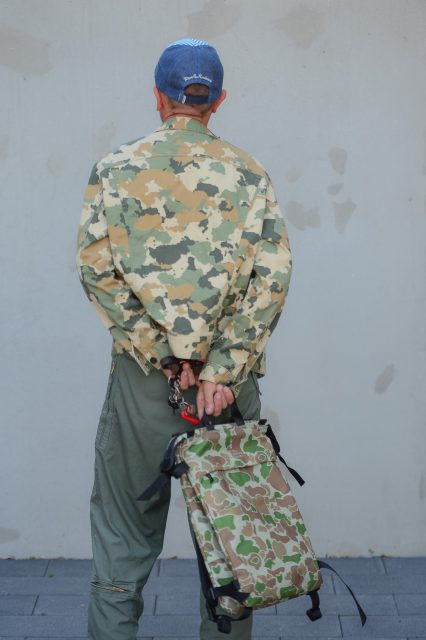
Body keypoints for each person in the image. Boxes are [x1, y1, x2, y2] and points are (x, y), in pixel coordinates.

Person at [77, 38, 292, 640]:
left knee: (122, 544)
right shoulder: (249, 173)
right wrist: (221, 370)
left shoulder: (116, 167)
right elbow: (271, 280)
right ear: (217, 101)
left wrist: (166, 358)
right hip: (226, 394)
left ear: (158, 96)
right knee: (233, 550)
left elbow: (96, 270)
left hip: (144, 386)